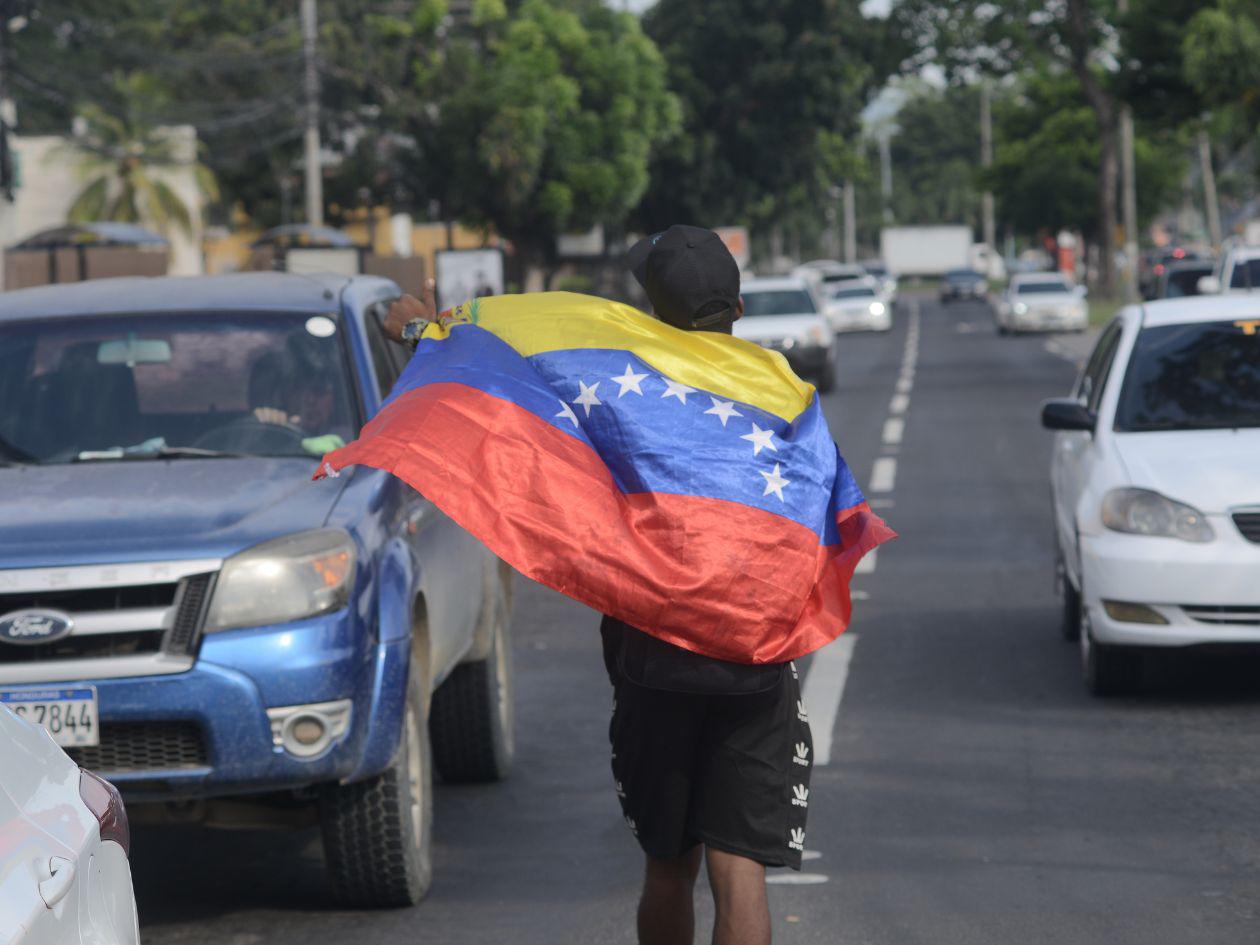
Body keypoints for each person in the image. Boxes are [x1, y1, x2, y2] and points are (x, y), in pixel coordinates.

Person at [382, 226, 811, 945]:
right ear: (738, 305)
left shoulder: (622, 380)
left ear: (648, 310)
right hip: (755, 659)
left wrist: (425, 332)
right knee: (741, 872)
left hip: (654, 659)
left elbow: (510, 376)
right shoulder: (784, 388)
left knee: (668, 866)